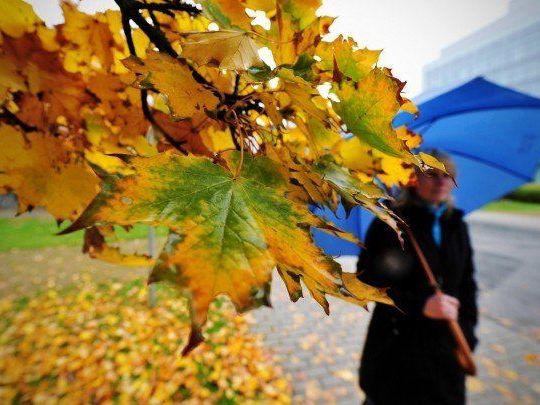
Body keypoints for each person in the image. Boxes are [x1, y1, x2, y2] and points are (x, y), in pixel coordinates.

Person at [356, 150, 479, 405]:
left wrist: (467, 334)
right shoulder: (389, 223)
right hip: (397, 352)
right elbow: (367, 283)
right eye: (432, 174)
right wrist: (420, 306)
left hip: (446, 351)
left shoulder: (457, 225)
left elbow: (467, 284)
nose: (441, 182)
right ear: (412, 179)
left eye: (448, 176)